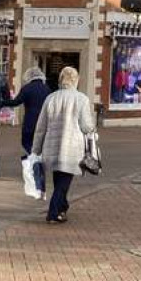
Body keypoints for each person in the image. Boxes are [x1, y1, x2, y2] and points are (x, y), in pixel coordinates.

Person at [32, 66, 95, 223]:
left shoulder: (51, 98)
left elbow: (41, 127)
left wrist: (36, 149)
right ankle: (53, 212)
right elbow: (87, 126)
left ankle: (62, 208)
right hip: (71, 146)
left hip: (52, 145)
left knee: (59, 181)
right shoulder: (81, 99)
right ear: (76, 80)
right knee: (64, 182)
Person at [5, 66, 51, 155]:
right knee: (41, 143)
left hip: (30, 120)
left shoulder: (27, 88)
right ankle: (38, 159)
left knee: (26, 142)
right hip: (44, 120)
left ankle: (33, 159)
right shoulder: (47, 89)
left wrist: (2, 102)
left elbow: (16, 102)